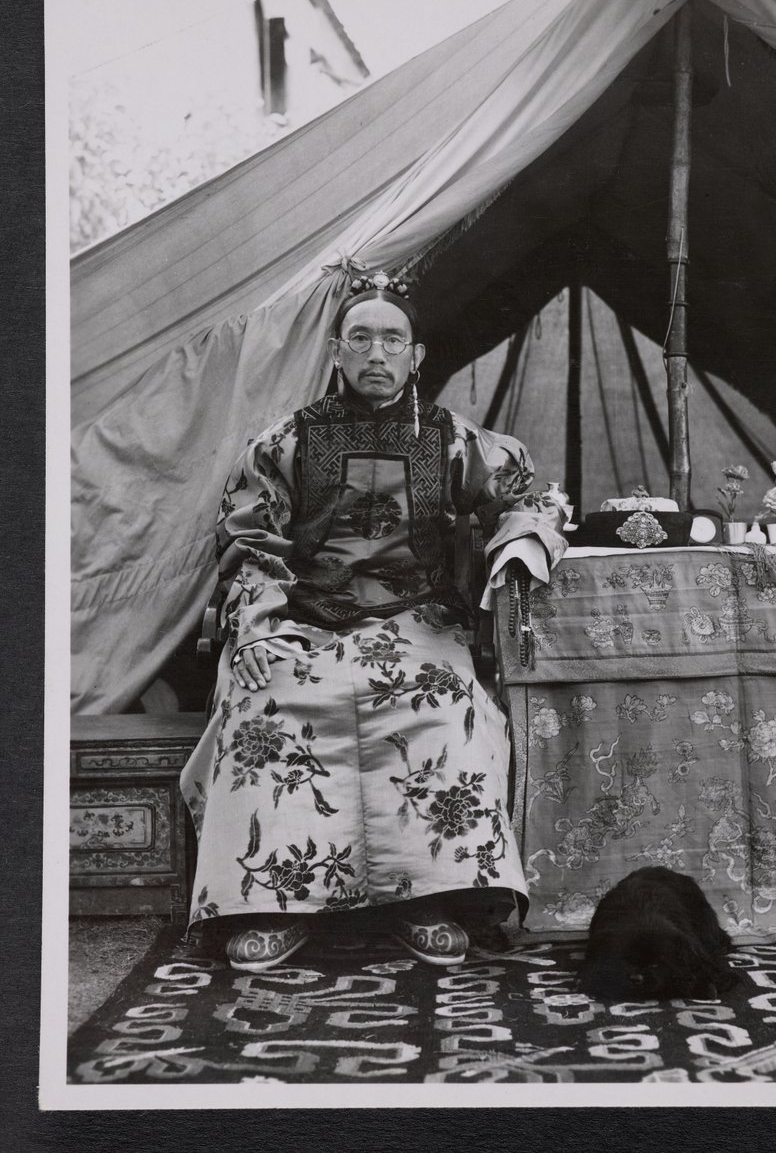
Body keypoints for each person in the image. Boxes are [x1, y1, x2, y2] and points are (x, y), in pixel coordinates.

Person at [181, 272, 567, 973]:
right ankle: (272, 901)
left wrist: (516, 547)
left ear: (416, 355)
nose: (375, 353)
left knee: (447, 711)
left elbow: (528, 495)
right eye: (360, 338)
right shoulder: (285, 441)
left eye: (392, 339)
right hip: (303, 619)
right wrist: (261, 624)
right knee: (262, 707)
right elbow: (247, 538)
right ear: (337, 350)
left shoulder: (452, 440)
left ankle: (424, 898)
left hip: (416, 620)